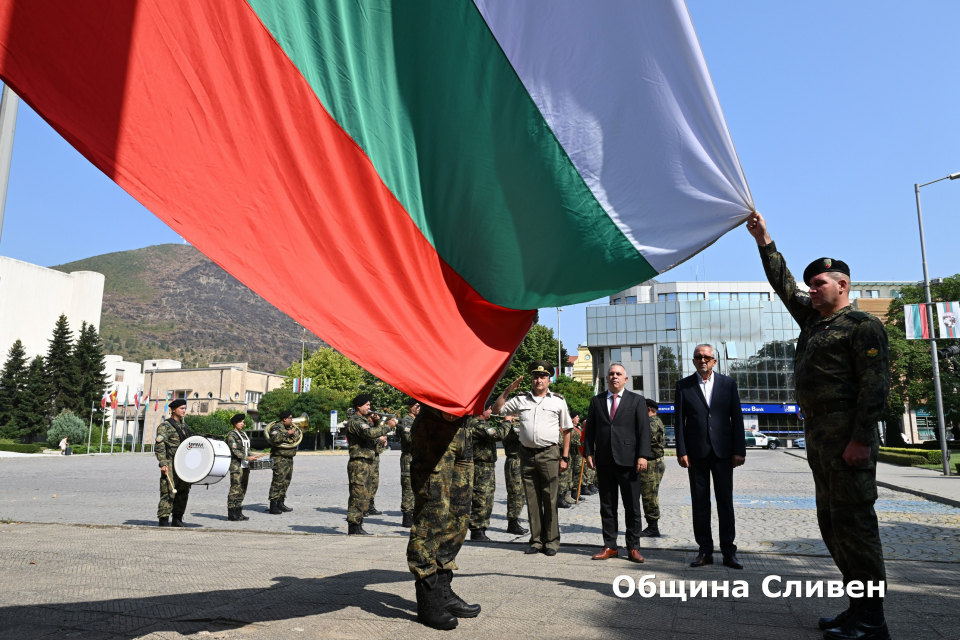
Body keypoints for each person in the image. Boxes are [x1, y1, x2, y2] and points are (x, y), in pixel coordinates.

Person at [748, 211, 891, 640]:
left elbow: (875, 388)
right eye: (811, 285)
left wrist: (862, 441)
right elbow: (782, 284)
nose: (811, 290)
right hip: (819, 439)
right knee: (833, 526)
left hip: (848, 438)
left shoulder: (863, 326)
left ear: (843, 285)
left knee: (857, 527)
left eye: (820, 284)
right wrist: (764, 241)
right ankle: (856, 608)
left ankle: (872, 620)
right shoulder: (813, 320)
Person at [675, 344, 747, 570]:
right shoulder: (683, 386)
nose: (702, 360)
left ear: (714, 361)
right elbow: (678, 422)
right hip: (696, 454)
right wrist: (682, 451)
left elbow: (737, 417)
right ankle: (705, 550)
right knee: (700, 503)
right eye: (698, 357)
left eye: (706, 357)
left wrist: (739, 450)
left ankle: (729, 552)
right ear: (693, 361)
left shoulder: (728, 383)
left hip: (723, 452)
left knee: (725, 502)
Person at [407, 404, 479, 630]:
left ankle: (443, 592)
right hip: (434, 428)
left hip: (462, 430)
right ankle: (428, 596)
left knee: (458, 517)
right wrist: (439, 408)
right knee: (432, 516)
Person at [493, 360, 573, 556]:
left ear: (549, 380)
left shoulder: (557, 400)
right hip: (527, 455)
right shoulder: (521, 399)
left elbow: (567, 430)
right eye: (536, 376)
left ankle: (552, 541)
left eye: (543, 377)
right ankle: (536, 541)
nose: (539, 380)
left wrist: (565, 457)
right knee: (533, 499)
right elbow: (497, 410)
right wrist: (508, 390)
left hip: (549, 453)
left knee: (550, 498)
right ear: (531, 379)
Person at [583, 363, 651, 563]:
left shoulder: (637, 400)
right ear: (607, 378)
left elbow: (643, 430)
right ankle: (610, 546)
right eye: (611, 374)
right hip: (604, 461)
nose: (614, 377)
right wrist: (588, 452)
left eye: (618, 374)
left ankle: (633, 547)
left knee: (632, 507)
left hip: (630, 461)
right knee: (607, 506)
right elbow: (591, 430)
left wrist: (643, 456)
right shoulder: (596, 401)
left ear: (625, 379)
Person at [345, 394, 394, 534]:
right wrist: (387, 427)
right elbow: (368, 433)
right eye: (367, 405)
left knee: (366, 495)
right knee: (358, 494)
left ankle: (359, 524)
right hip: (359, 463)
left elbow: (373, 440)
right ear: (358, 406)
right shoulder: (355, 421)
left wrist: (378, 424)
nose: (369, 407)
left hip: (368, 462)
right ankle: (354, 526)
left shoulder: (365, 420)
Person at [468, 407, 508, 541]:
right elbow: (498, 435)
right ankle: (477, 530)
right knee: (481, 498)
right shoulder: (477, 424)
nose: (491, 412)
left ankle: (481, 529)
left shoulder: (483, 424)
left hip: (487, 467)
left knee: (487, 499)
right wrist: (507, 422)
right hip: (480, 467)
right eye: (489, 409)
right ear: (482, 410)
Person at [154, 399, 192, 527]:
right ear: (173, 409)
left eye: (184, 408)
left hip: (184, 464)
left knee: (183, 491)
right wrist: (163, 463)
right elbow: (160, 446)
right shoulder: (165, 426)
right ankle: (163, 520)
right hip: (170, 463)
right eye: (181, 408)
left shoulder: (184, 427)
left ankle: (177, 518)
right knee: (168, 492)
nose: (184, 410)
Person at [225, 413, 259, 521]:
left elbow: (246, 449)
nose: (242, 424)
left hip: (245, 466)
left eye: (243, 422)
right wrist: (247, 457)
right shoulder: (231, 435)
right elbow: (234, 451)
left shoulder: (243, 434)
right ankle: (231, 513)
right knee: (235, 488)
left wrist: (252, 455)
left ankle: (238, 511)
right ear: (235, 423)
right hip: (236, 466)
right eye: (240, 422)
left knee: (243, 488)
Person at [640, 398, 666, 538]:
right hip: (654, 462)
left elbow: (644, 440)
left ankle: (653, 527)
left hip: (652, 464)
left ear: (648, 409)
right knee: (649, 494)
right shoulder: (656, 421)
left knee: (649, 495)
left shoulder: (651, 423)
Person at [267, 410, 299, 515]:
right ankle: (273, 505)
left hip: (289, 458)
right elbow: (274, 438)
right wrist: (287, 433)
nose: (292, 420)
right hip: (279, 458)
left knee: (286, 481)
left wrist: (292, 433)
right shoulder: (276, 427)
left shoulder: (290, 428)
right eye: (290, 418)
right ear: (284, 419)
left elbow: (296, 438)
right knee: (278, 481)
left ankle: (281, 503)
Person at [501, 416, 528, 535]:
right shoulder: (512, 426)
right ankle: (512, 522)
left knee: (522, 494)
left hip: (523, 460)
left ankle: (515, 519)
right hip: (514, 461)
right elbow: (523, 437)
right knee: (515, 493)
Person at [399, 398, 419, 528]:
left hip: (419, 457)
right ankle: (407, 516)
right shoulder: (406, 421)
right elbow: (408, 438)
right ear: (410, 407)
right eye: (417, 406)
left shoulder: (418, 421)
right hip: (409, 457)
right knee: (408, 487)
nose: (419, 408)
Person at [567, 411, 589, 502]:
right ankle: (572, 493)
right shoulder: (570, 429)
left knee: (579, 472)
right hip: (573, 455)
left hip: (579, 455)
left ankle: (576, 492)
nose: (578, 418)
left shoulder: (578, 428)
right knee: (572, 474)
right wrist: (581, 443)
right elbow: (571, 440)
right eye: (576, 417)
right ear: (572, 418)